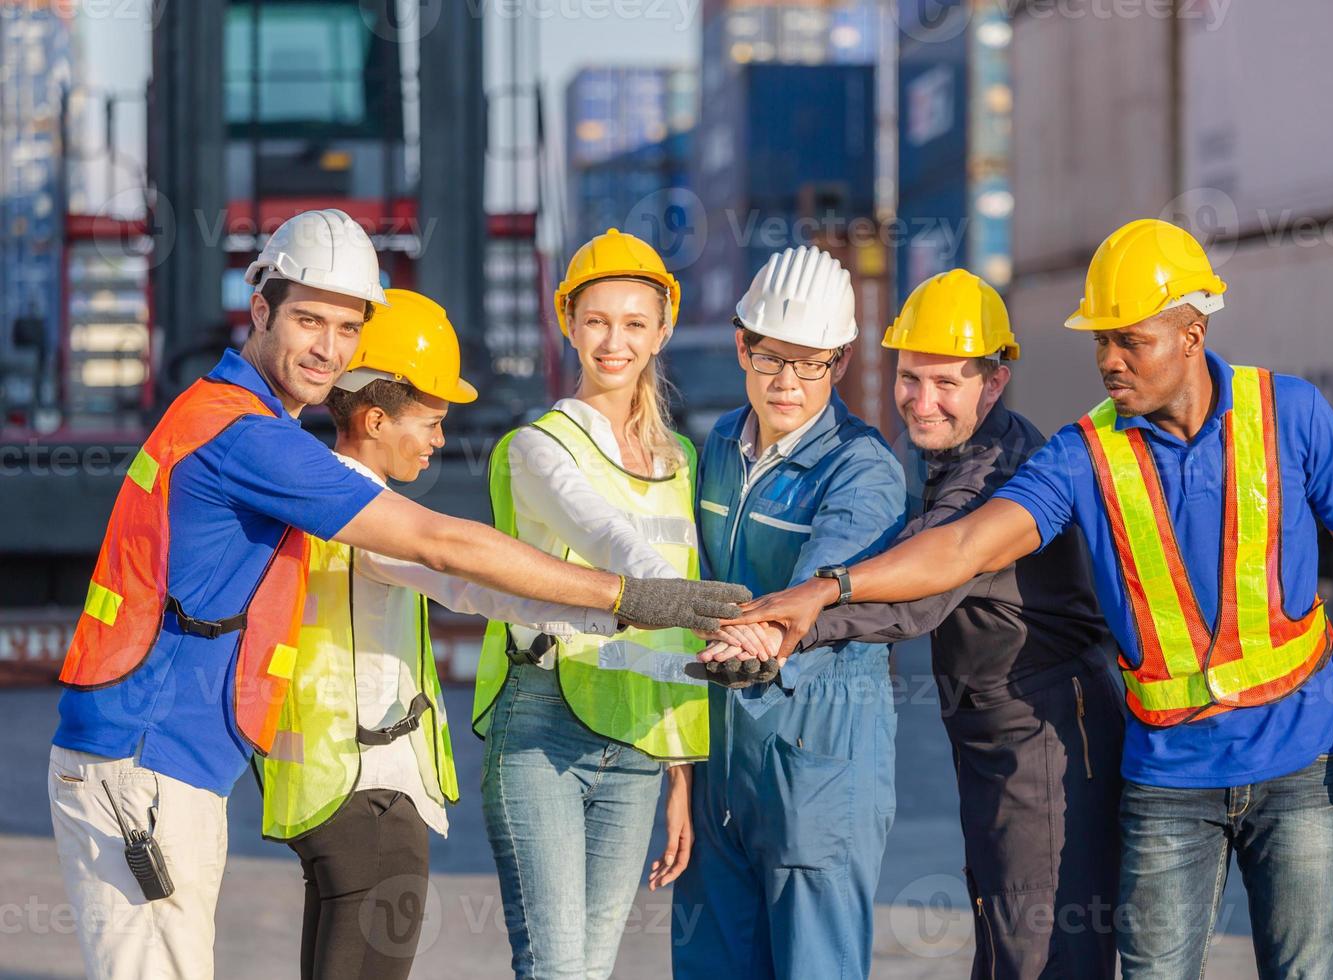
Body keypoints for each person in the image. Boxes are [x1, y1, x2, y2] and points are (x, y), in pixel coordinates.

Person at [46, 209, 748, 980]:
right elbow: (445, 550)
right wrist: (628, 597)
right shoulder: (252, 440)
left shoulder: (241, 422)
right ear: (259, 311)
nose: (328, 346)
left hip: (169, 762)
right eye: (309, 319)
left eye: (346, 328)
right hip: (153, 760)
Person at [732, 219, 1333, 979]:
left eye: (1129, 342)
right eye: (1100, 342)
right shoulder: (1084, 453)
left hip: (1292, 757)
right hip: (1169, 772)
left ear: (1192, 334)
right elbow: (962, 548)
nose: (1109, 362)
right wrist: (825, 587)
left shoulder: (1288, 412)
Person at [255, 288, 626, 979]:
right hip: (368, 792)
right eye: (428, 422)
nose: (439, 441)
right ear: (373, 418)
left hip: (326, 788)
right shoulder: (363, 512)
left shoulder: (310, 491)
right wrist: (616, 607)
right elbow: (470, 580)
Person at [771, 268, 1125, 978]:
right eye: (910, 379)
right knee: (1004, 940)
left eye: (946, 384)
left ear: (993, 383)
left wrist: (797, 622)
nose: (920, 402)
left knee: (1041, 954)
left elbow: (915, 597)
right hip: (1001, 735)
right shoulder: (955, 451)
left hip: (1046, 739)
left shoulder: (992, 478)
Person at [473, 229, 743, 979]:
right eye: (595, 321)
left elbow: (674, 644)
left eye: (633, 323)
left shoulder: (681, 461)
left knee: (592, 972)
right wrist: (698, 605)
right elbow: (609, 539)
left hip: (637, 739)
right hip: (543, 724)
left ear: (660, 333)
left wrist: (681, 774)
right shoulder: (540, 445)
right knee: (557, 970)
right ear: (568, 325)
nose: (613, 341)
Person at [670, 245, 907, 980]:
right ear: (743, 344)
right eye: (773, 357)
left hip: (819, 762)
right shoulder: (717, 449)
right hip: (724, 758)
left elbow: (812, 591)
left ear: (839, 365)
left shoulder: (863, 469)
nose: (789, 382)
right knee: (710, 965)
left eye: (813, 364)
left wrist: (759, 634)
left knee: (815, 968)